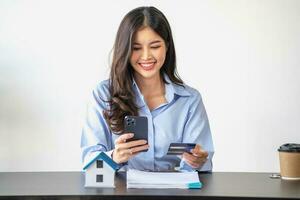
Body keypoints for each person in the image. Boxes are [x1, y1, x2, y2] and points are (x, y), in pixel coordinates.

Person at [81, 6, 214, 172]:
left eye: (155, 46)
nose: (146, 56)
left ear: (166, 46)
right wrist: (115, 157)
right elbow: (90, 169)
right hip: (120, 195)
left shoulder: (189, 100)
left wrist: (198, 161)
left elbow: (201, 169)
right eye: (136, 48)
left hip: (174, 195)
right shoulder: (103, 95)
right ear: (125, 50)